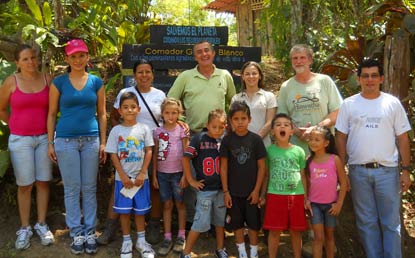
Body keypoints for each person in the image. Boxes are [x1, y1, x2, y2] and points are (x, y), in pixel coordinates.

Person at [335, 58, 412, 258]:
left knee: (391, 223)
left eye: (374, 76)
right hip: (358, 171)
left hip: (387, 171)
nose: (370, 80)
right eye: (365, 76)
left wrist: (405, 170)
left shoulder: (392, 103)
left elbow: (403, 138)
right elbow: (340, 137)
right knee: (366, 222)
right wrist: (342, 170)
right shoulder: (349, 104)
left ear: (381, 78)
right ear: (358, 79)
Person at [47, 39, 106, 255]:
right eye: (73, 56)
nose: (78, 59)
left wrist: (104, 141)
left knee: (89, 188)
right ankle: (76, 233)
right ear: (67, 59)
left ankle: (90, 232)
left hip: (91, 141)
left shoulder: (96, 82)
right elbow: (52, 114)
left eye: (82, 55)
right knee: (72, 189)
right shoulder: (58, 83)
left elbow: (101, 113)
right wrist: (50, 142)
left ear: (88, 57)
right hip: (65, 141)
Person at [98, 59, 166, 245]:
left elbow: (168, 118)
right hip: (128, 150)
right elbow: (113, 117)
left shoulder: (160, 95)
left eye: (148, 72)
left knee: (153, 186)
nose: (144, 75)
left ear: (152, 74)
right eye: (140, 72)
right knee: (120, 187)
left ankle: (153, 225)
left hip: (153, 148)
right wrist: (122, 138)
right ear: (134, 75)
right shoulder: (125, 93)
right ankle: (110, 227)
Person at [168, 40, 236, 227]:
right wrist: (181, 123)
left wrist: (229, 125)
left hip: (219, 137)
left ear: (213, 53)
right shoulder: (186, 77)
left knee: (218, 176)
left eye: (207, 50)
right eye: (199, 52)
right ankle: (192, 220)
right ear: (194, 56)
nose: (204, 54)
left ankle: (217, 221)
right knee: (193, 177)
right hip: (194, 136)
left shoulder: (224, 75)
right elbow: (171, 101)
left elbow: (233, 102)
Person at [0, 44, 55, 250]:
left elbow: (53, 110)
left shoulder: (47, 79)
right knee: (25, 185)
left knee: (43, 182)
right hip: (20, 141)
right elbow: (1, 108)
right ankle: (24, 227)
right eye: (25, 59)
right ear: (17, 63)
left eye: (33, 58)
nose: (31, 62)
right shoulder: (10, 82)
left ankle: (41, 224)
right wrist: (14, 125)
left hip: (43, 139)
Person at [105, 92, 155, 258]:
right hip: (123, 180)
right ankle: (126, 241)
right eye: (125, 107)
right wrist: (123, 176)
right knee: (124, 212)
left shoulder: (144, 129)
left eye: (133, 107)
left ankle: (141, 241)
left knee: (140, 212)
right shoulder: (116, 131)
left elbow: (149, 150)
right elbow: (113, 154)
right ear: (119, 110)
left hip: (141, 180)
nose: (130, 110)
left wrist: (142, 173)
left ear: (138, 109)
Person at [220, 101, 266, 258]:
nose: (240, 122)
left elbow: (262, 168)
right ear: (231, 121)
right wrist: (226, 191)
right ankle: (241, 253)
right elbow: (224, 167)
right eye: (236, 119)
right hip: (233, 193)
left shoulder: (256, 140)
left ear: (249, 119)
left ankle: (253, 253)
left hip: (251, 193)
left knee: (253, 225)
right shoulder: (227, 141)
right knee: (237, 224)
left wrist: (257, 191)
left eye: (243, 118)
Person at [277, 44, 342, 155]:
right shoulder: (286, 87)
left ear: (310, 60)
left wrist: (317, 128)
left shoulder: (324, 81)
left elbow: (338, 111)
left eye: (302, 57)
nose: (298, 61)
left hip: (324, 148)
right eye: (295, 58)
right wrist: (297, 132)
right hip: (296, 149)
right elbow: (282, 117)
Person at [180, 109, 228, 258]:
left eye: (221, 127)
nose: (218, 130)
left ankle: (220, 249)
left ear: (225, 126)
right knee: (200, 223)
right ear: (207, 125)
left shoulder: (225, 140)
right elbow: (186, 158)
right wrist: (190, 179)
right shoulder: (198, 139)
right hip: (205, 190)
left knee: (220, 223)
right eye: (214, 126)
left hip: (221, 189)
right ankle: (186, 252)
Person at [260, 113, 308, 258]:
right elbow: (266, 174)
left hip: (296, 196)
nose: (282, 127)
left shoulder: (299, 151)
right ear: (272, 131)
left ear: (292, 131)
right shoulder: (269, 151)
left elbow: (303, 175)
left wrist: (306, 198)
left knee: (295, 231)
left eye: (286, 125)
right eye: (278, 124)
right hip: (275, 195)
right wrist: (262, 195)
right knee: (274, 231)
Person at [152, 98, 189, 255]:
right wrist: (154, 175)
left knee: (180, 204)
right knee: (167, 205)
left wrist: (186, 175)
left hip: (178, 173)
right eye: (167, 112)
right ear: (162, 113)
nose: (171, 116)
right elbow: (155, 154)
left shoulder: (182, 130)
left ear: (179, 113)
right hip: (162, 174)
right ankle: (167, 237)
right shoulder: (157, 132)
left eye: (174, 112)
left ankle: (181, 235)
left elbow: (187, 154)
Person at [305, 126, 347, 258]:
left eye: (317, 139)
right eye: (311, 139)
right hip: (314, 206)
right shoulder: (308, 161)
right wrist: (306, 200)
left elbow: (344, 183)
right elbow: (305, 183)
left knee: (329, 237)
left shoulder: (334, 159)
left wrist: (339, 204)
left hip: (331, 206)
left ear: (326, 143)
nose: (313, 142)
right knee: (318, 237)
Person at [231, 61, 277, 147]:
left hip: (263, 145)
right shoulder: (236, 98)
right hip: (241, 145)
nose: (251, 76)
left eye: (254, 73)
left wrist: (255, 140)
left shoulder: (269, 97)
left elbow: (270, 122)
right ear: (243, 77)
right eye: (247, 74)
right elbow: (233, 123)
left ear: (259, 76)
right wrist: (243, 140)